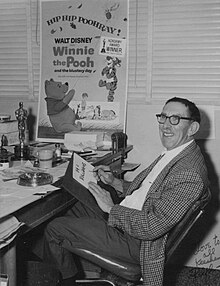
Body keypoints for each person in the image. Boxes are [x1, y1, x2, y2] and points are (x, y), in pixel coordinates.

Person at [41, 97, 210, 286]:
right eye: (163, 117)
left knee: (55, 228)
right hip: (130, 220)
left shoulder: (189, 173)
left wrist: (111, 209)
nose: (165, 126)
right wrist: (115, 182)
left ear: (193, 128)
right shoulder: (178, 152)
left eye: (175, 119)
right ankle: (60, 267)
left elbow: (152, 226)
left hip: (139, 242)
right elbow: (151, 191)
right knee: (71, 207)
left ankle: (64, 281)